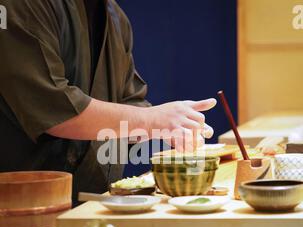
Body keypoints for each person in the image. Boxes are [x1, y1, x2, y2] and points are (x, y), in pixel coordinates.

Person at [0, 0, 216, 203]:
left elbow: (130, 107)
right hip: (19, 207)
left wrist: (168, 128)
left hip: (91, 201)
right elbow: (52, 109)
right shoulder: (23, 4)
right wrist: (153, 120)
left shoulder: (114, 17)